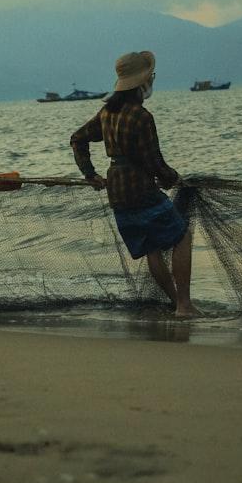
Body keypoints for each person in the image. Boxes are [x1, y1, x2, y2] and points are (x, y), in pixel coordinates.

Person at [70, 51, 197, 316]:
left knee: (152, 247)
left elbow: (77, 138)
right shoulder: (141, 116)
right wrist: (173, 179)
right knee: (181, 237)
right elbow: (154, 162)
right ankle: (184, 305)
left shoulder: (107, 112)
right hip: (141, 189)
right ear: (143, 83)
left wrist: (90, 174)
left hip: (117, 192)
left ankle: (176, 303)